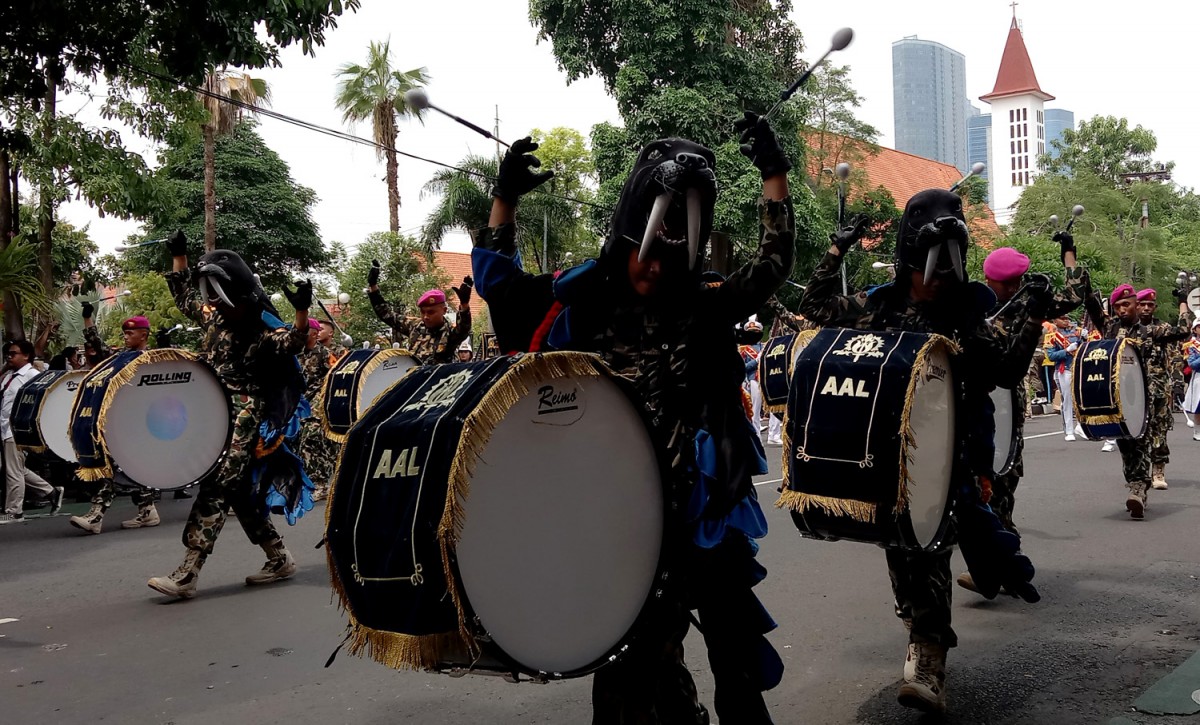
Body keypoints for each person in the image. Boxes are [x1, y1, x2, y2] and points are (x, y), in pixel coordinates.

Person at [474, 115, 793, 723]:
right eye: (646, 256)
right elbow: (501, 286)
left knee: (736, 663)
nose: (655, 270)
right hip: (621, 519)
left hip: (704, 511)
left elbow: (772, 263)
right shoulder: (583, 299)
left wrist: (774, 175)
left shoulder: (703, 305)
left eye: (670, 261)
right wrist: (504, 199)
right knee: (629, 677)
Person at [797, 188, 1046, 713]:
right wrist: (835, 253)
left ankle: (929, 658)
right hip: (887, 460)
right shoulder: (879, 306)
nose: (935, 278)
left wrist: (1033, 315)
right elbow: (815, 308)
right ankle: (918, 628)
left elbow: (1002, 369)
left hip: (947, 458)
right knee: (901, 556)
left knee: (930, 553)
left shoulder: (965, 317)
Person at [150, 235, 313, 599]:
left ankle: (188, 572)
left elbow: (294, 342)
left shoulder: (261, 330)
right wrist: (180, 257)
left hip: (245, 415)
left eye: (225, 300)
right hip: (213, 412)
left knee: (218, 485)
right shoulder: (214, 316)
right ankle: (279, 556)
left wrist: (301, 314)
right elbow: (183, 296)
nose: (216, 306)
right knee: (238, 493)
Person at [1083, 284, 1189, 519]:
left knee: (1140, 441)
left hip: (1146, 397)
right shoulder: (1110, 327)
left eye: (1126, 304)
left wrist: (1183, 302)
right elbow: (1090, 304)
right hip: (1118, 399)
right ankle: (1136, 484)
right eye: (1118, 306)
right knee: (1125, 444)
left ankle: (1138, 488)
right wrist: (1078, 272)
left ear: (1135, 305)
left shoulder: (1151, 331)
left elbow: (1184, 331)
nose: (1122, 310)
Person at [68, 313, 163, 533]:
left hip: (141, 426)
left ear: (144, 335)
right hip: (119, 424)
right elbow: (97, 347)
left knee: (113, 468)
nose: (126, 337)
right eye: (125, 333)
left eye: (130, 333)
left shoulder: (153, 360)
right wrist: (88, 320)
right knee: (128, 469)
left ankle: (96, 516)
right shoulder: (120, 358)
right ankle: (148, 511)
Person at [2, 339, 65, 523]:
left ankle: (14, 511)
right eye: (8, 354)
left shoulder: (32, 375)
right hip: (5, 426)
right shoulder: (9, 375)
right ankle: (50, 492)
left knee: (13, 471)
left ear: (26, 355)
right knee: (14, 468)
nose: (9, 357)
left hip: (18, 429)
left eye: (13, 354)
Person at [367, 261, 473, 364]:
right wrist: (373, 287)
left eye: (431, 312)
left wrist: (464, 304)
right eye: (423, 312)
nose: (426, 317)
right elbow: (387, 315)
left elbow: (464, 328)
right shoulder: (415, 326)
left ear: (444, 310)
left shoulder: (450, 333)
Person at [1136, 289, 1175, 490]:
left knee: (1159, 429)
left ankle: (1158, 470)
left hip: (1159, 388)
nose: (1146, 308)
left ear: (1154, 307)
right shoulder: (1129, 329)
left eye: (1150, 305)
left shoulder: (1163, 328)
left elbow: (1173, 355)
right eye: (1142, 304)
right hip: (1135, 388)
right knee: (1137, 431)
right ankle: (1139, 472)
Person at [298, 318, 336, 502]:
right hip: (298, 403)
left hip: (318, 401)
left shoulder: (324, 353)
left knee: (311, 438)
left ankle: (319, 484)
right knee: (297, 442)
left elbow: (335, 377)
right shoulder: (294, 352)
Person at [1045, 316, 1084, 441]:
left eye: (1067, 318)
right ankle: (1069, 430)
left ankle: (1081, 426)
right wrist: (1066, 350)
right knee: (1067, 400)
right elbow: (1051, 356)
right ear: (1055, 321)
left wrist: (1085, 337)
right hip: (1064, 369)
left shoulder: (1077, 331)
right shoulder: (1052, 336)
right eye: (1062, 318)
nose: (1066, 321)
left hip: (1078, 368)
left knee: (1080, 399)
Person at [739, 317, 765, 434]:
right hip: (752, 380)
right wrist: (756, 361)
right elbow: (742, 368)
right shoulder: (743, 349)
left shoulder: (764, 347)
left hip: (764, 379)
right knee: (753, 411)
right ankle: (756, 435)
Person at [1182, 318, 1200, 439]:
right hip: (1199, 376)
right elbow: (1192, 363)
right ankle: (1197, 431)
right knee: (1199, 406)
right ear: (1195, 329)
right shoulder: (1191, 345)